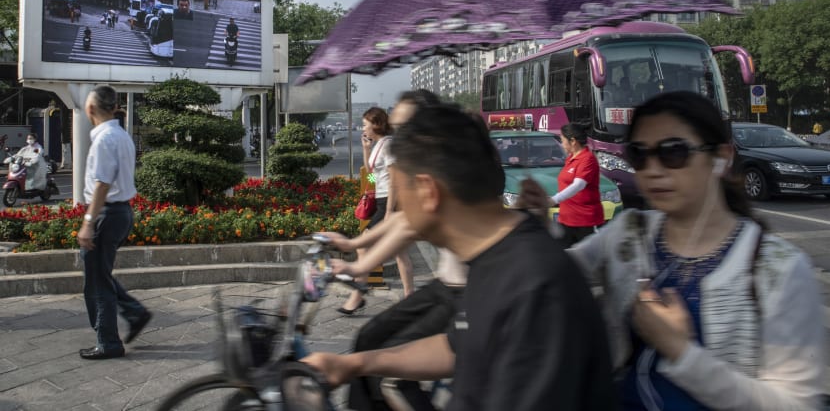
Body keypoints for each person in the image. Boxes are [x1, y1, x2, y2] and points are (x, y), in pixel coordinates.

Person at [303, 105, 617, 410]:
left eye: (404, 188)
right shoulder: (490, 257)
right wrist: (352, 364)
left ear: (428, 192)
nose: (402, 213)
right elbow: (460, 345)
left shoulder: (534, 289)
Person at [555, 91, 824, 409]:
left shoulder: (777, 268)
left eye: (673, 152)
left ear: (721, 157)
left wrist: (681, 352)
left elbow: (797, 404)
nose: (653, 169)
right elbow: (556, 272)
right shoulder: (629, 232)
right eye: (639, 155)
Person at [322, 90, 466, 411]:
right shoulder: (396, 152)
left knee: (386, 370)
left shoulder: (439, 164)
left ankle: (370, 294)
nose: (394, 130)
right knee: (366, 341)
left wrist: (362, 254)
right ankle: (387, 293)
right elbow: (376, 182)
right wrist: (354, 246)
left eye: (402, 124)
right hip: (445, 280)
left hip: (465, 292)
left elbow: (409, 219)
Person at [77, 85, 152, 360]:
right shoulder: (120, 135)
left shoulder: (105, 139)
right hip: (121, 213)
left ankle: (108, 342)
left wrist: (88, 221)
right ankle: (135, 313)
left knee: (97, 282)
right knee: (101, 275)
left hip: (107, 215)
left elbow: (102, 185)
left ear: (91, 109)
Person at [338, 106, 401, 314]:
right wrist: (366, 149)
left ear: (376, 124)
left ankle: (357, 295)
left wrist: (390, 211)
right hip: (381, 201)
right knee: (400, 254)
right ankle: (407, 295)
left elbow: (393, 181)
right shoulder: (378, 145)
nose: (363, 127)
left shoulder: (389, 145)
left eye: (365, 124)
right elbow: (373, 175)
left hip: (387, 203)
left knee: (364, 246)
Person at [552, 122, 604, 247]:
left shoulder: (588, 159)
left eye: (562, 140)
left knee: (587, 262)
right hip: (566, 220)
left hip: (585, 222)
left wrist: (554, 199)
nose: (562, 144)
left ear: (573, 141)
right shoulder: (570, 159)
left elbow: (578, 185)